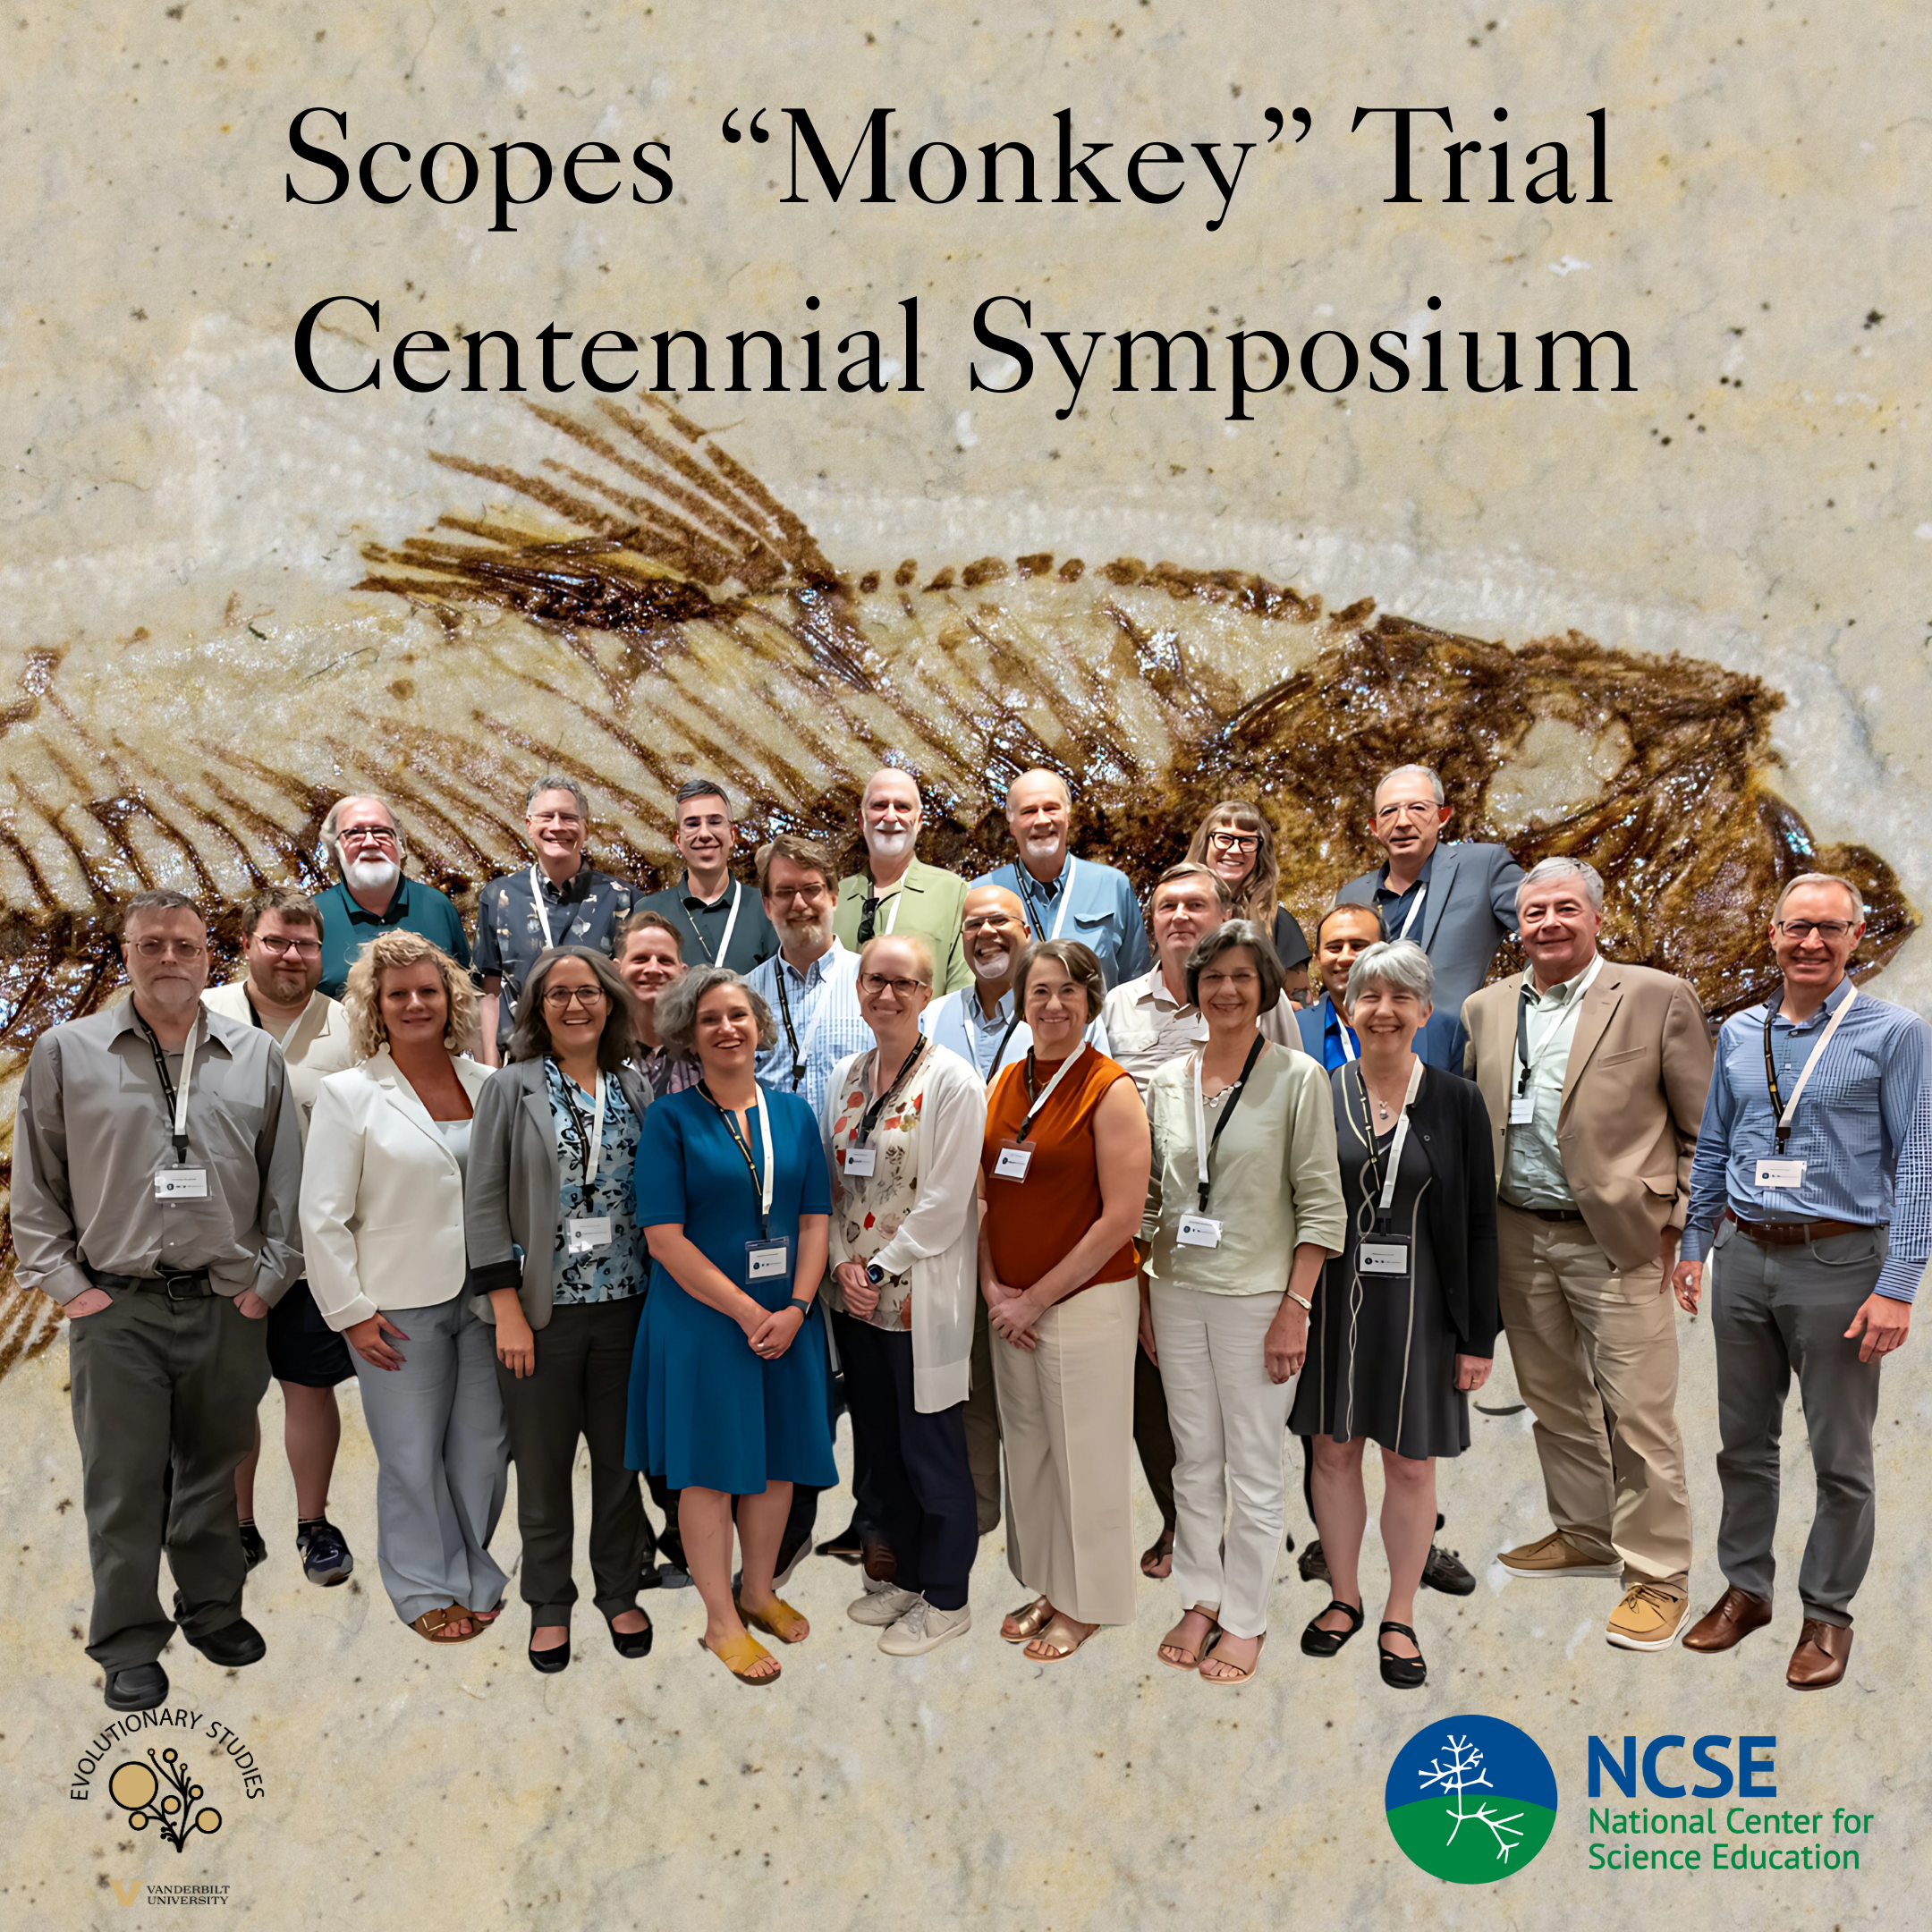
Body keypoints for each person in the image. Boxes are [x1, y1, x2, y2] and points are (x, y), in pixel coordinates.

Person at [13, 890, 301, 1713]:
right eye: (151, 945)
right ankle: (129, 1645)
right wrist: (71, 1291)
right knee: (123, 1483)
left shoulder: (256, 1056)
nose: (169, 957)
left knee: (213, 1472)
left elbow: (287, 1183)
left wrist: (266, 1285)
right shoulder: (66, 1052)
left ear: (210, 956)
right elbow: (37, 1185)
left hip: (225, 1303)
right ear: (126, 954)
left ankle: (213, 1611)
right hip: (119, 1309)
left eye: (185, 944)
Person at [1672, 874, 1928, 1691]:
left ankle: (1828, 1614)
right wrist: (1695, 1241)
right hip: (1744, 1257)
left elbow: (1920, 1162)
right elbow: (1716, 1143)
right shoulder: (1742, 1032)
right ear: (1773, 934)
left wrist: (1899, 1285)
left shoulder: (1896, 1033)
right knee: (1743, 1442)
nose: (1811, 942)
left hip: (1841, 1263)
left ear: (1856, 937)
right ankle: (1747, 1590)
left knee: (1840, 1455)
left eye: (1829, 928)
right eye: (1797, 927)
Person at [1464, 858, 1712, 1651]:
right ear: (1517, 926)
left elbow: (1705, 1128)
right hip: (1517, 1231)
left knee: (1638, 1414)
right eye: (1534, 912)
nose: (1549, 924)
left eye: (1566, 909)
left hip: (1618, 1238)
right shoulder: (1485, 1008)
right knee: (1555, 1398)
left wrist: (1682, 1228)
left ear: (1597, 917)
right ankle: (1585, 1533)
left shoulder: (1656, 996)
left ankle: (1659, 1576)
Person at [1292, 941, 1498, 1690]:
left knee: (1411, 1464)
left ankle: (1400, 1612)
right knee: (1332, 1454)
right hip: (1332, 1306)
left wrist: (1478, 1337)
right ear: (1348, 1008)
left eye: (1400, 997)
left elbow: (1479, 1224)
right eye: (1369, 997)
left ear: (1424, 1010)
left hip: (1424, 1311)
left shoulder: (1457, 1101)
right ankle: (1344, 1598)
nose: (1384, 1011)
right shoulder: (1316, 1094)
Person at [1142, 922, 1344, 1683]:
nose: (1226, 990)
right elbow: (1155, 1200)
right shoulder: (1167, 1082)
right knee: (1194, 1458)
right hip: (1174, 1291)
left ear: (1265, 989)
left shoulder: (1298, 1078)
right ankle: (1200, 1597)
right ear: (1193, 988)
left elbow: (1321, 1202)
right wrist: (1143, 1296)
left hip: (1259, 1298)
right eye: (1212, 977)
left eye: (1242, 977)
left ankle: (1246, 1618)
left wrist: (1297, 1306)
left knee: (1255, 1464)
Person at [626, 967, 836, 1685]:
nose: (727, 1028)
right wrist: (749, 1311)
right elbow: (664, 1238)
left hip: (787, 1320)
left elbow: (815, 1221)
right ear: (689, 1034)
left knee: (776, 1463)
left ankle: (759, 1591)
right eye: (710, 1018)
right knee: (709, 1474)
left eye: (738, 1015)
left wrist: (797, 1308)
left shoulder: (795, 1115)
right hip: (704, 1323)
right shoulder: (670, 1120)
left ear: (759, 1026)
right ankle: (720, 1620)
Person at [301, 933, 504, 1644]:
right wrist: (350, 1313)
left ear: (451, 999)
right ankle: (422, 1584)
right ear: (375, 1006)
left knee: (483, 1447)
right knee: (412, 1454)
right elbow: (321, 1215)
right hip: (396, 1307)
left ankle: (472, 1574)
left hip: (490, 1299)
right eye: (398, 994)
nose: (415, 1003)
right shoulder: (349, 1093)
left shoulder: (492, 1085)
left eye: (428, 990)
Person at [466, 947, 657, 1673]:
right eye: (559, 994)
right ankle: (549, 1602)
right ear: (538, 1009)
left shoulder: (633, 1086)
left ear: (610, 1001)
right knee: (543, 1470)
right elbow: (483, 1203)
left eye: (589, 992)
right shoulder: (509, 1087)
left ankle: (619, 1589)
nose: (576, 1005)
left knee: (619, 1464)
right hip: (540, 1316)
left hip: (627, 1311)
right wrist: (506, 1310)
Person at [979, 939, 1151, 1663]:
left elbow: (1121, 1218)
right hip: (1010, 1304)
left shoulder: (1110, 1088)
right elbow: (983, 1194)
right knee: (1033, 1455)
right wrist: (993, 1288)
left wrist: (1036, 1300)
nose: (1053, 1005)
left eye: (1068, 991)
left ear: (1091, 1001)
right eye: (1039, 992)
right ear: (1021, 1004)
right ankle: (1053, 1585)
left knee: (1087, 1456)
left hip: (1084, 1302)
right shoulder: (1006, 1081)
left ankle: (1091, 1603)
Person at [919, 880, 1106, 1541]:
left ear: (1028, 932)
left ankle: (1056, 1535)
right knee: (968, 1381)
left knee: (1041, 1407)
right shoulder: (934, 1016)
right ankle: (979, 1517)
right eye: (973, 924)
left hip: (1044, 1239)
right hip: (956, 1228)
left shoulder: (1067, 1022)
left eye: (1001, 920)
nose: (986, 933)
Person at [820, 934, 987, 1655]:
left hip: (918, 1302)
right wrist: (841, 1267)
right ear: (858, 988)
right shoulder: (846, 1075)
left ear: (927, 994)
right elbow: (830, 1187)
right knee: (883, 1451)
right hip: (854, 1302)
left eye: (904, 983)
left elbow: (947, 1202)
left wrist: (877, 1270)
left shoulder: (953, 1081)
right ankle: (910, 1578)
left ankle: (948, 1599)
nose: (886, 994)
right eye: (874, 980)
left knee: (933, 1453)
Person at [202, 887, 358, 1589]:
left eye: (305, 945)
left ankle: (313, 1524)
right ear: (246, 944)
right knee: (230, 1395)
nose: (292, 956)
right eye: (276, 941)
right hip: (223, 1249)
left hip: (313, 1249)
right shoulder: (202, 1015)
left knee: (309, 1387)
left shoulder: (350, 1026)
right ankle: (237, 1527)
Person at [1097, 862, 1240, 1582]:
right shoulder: (1119, 1007)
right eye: (1166, 907)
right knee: (1151, 1375)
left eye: (1195, 904)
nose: (1180, 916)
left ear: (1225, 917)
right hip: (1146, 1216)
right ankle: (1179, 1517)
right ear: (1149, 924)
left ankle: (1233, 1523)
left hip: (1237, 1219)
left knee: (1227, 1377)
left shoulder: (1253, 997)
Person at [1335, 764, 1524, 1021]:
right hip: (1371, 1038)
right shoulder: (1352, 895)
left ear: (1442, 816)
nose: (1402, 822)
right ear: (1375, 827)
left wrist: (1520, 1008)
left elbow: (1551, 929)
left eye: (1417, 808)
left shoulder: (1483, 866)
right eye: (1389, 811)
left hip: (1456, 1040)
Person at [476, 776, 636, 1066]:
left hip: (600, 1065)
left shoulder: (623, 899)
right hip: (521, 1066)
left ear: (586, 829)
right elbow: (489, 990)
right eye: (547, 817)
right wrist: (489, 1069)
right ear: (529, 825)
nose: (558, 826)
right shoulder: (499, 896)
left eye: (569, 818)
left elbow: (633, 991)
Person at [970, 768, 1151, 992]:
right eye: (1028, 812)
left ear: (1068, 817)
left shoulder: (1113, 886)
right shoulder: (978, 893)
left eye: (1051, 808)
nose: (1041, 820)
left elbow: (1137, 983)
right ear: (1011, 825)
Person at [311, 793, 470, 998]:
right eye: (354, 834)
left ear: (400, 845)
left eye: (381, 832)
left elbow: (468, 992)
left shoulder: (438, 906)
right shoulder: (312, 916)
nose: (370, 842)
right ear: (335, 849)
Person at [832, 768, 972, 992]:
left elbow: (964, 992)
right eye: (879, 805)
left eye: (902, 807)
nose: (890, 817)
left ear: (918, 822)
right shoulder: (832, 899)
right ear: (861, 820)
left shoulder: (954, 894)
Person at [1297, 902, 1470, 1074]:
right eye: (1334, 948)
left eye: (1358, 946)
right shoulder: (1294, 1028)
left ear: (1386, 951)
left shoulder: (1443, 1028)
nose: (1345, 958)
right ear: (1318, 957)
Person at [635, 778, 779, 976]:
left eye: (714, 822)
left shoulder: (766, 910)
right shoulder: (648, 911)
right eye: (692, 824)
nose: (704, 834)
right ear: (679, 840)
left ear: (732, 835)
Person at [1184, 799, 1313, 1005]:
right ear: (1205, 843)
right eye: (1224, 838)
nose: (1235, 850)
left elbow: (1302, 1007)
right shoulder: (1178, 916)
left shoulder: (1279, 923)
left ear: (1260, 852)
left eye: (1247, 841)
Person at [618, 910, 701, 1097]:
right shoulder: (597, 1051)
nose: (654, 969)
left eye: (665, 961)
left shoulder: (705, 1052)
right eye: (640, 959)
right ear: (617, 969)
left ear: (683, 973)